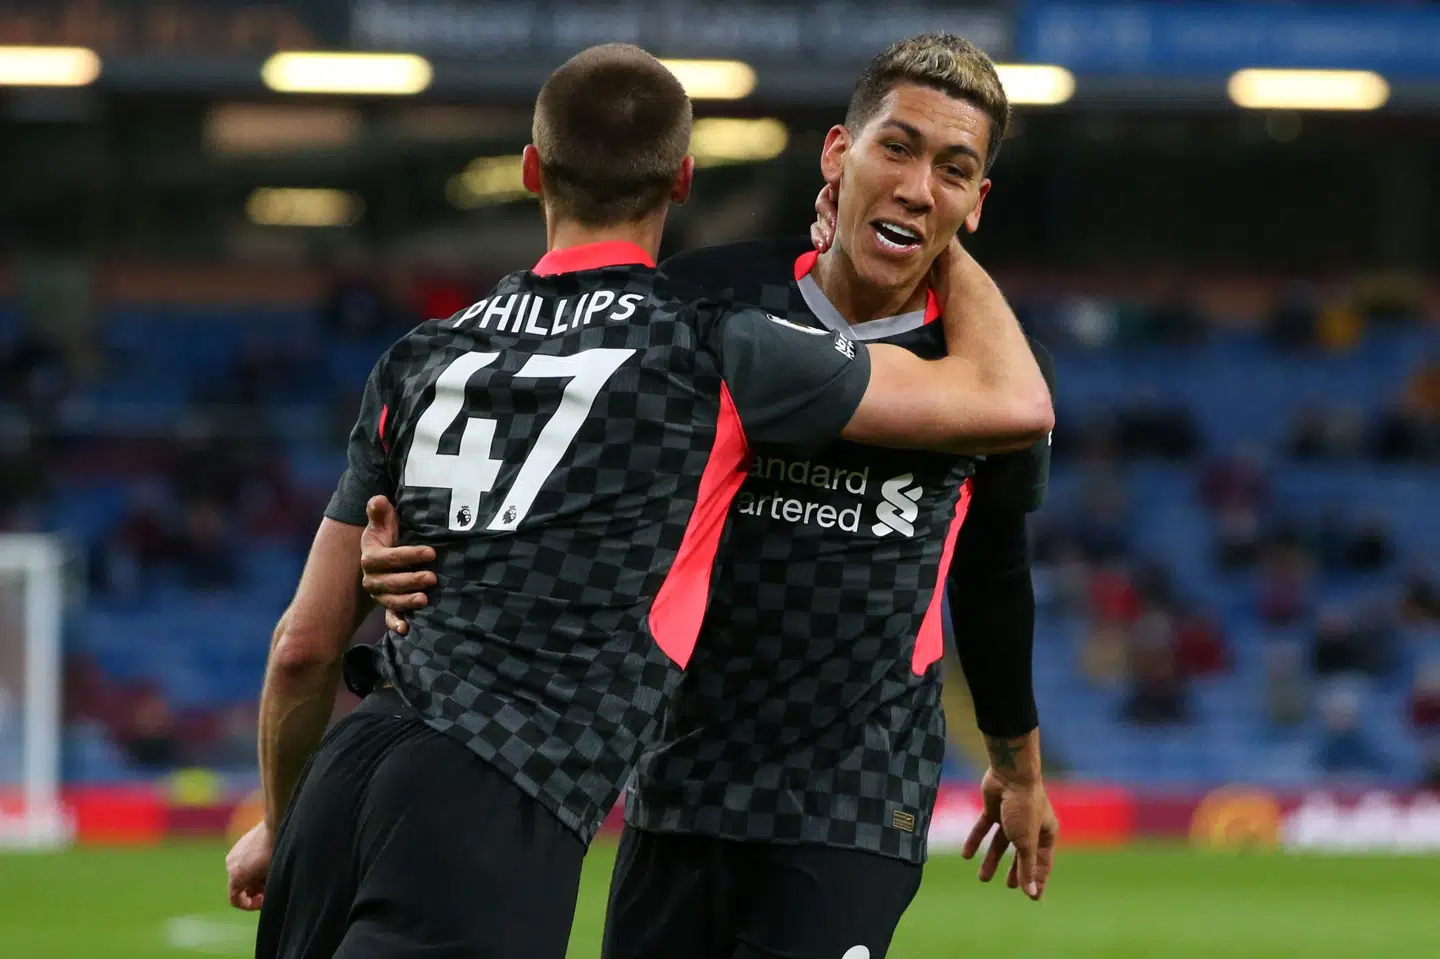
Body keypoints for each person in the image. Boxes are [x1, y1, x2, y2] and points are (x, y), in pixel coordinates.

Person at [225, 42, 1051, 959]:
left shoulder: (976, 360)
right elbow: (549, 463)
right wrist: (414, 548)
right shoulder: (706, 321)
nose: (918, 187)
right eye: (895, 150)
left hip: (848, 803)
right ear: (835, 154)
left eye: (953, 172)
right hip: (667, 786)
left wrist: (1016, 764)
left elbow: (995, 562)